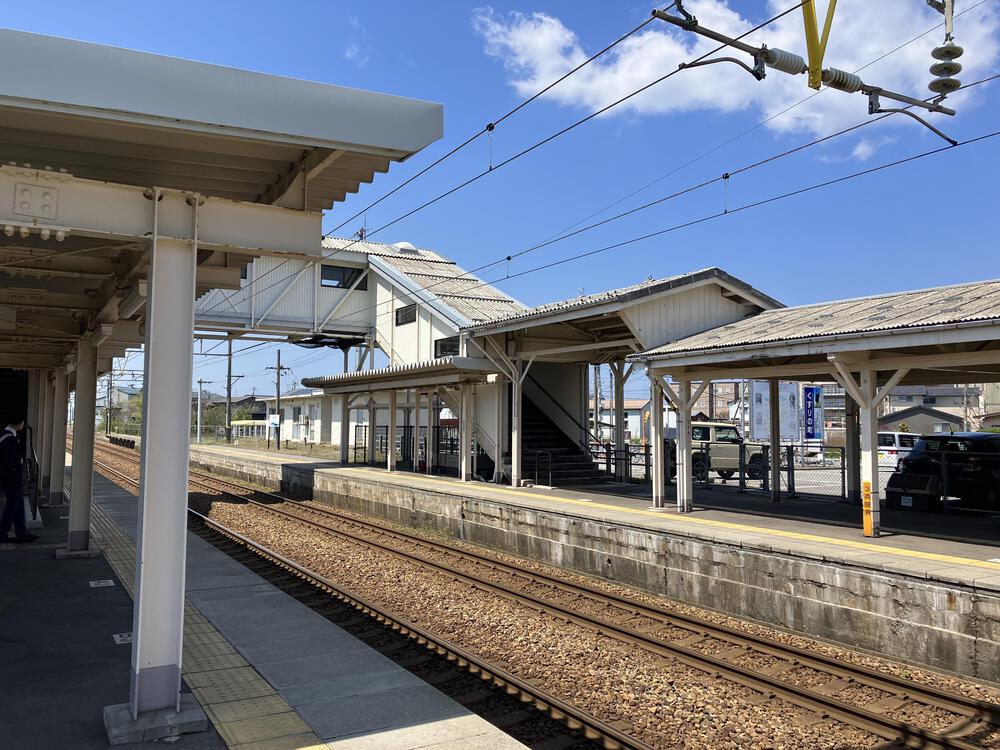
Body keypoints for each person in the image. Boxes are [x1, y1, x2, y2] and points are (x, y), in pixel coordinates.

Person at [0, 415, 38, 543]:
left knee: (19, 505)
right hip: (11, 479)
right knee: (11, 506)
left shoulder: (3, 434)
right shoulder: (10, 439)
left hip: (9, 478)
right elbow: (8, 462)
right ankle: (2, 532)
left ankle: (21, 532)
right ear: (20, 423)